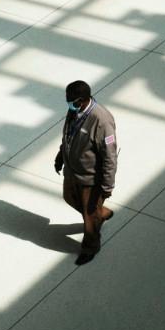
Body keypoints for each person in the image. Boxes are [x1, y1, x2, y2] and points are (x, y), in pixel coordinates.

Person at [54, 80, 117, 265]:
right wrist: (61, 155)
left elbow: (110, 156)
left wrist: (107, 185)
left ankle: (90, 247)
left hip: (90, 178)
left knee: (89, 219)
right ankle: (101, 212)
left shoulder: (102, 121)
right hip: (72, 171)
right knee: (69, 197)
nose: (68, 104)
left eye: (71, 100)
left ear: (82, 100)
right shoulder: (75, 110)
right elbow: (69, 135)